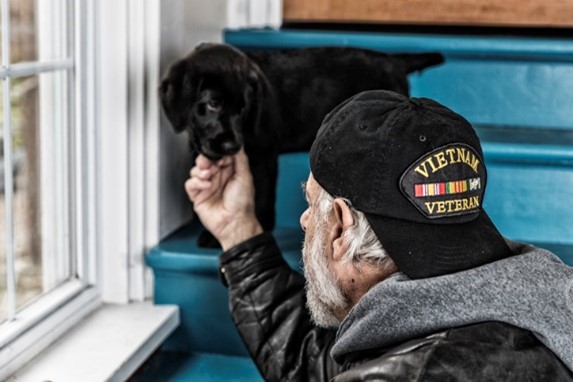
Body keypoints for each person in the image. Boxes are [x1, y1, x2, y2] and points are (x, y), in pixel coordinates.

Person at [185, 90, 573, 381]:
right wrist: (239, 232)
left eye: (311, 203)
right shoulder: (536, 300)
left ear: (340, 225)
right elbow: (331, 367)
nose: (304, 221)